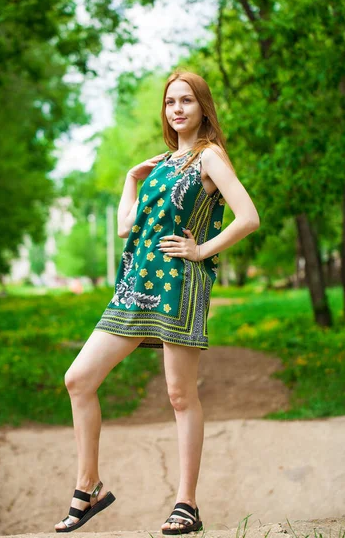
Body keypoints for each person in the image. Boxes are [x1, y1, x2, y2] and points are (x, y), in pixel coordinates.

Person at [54, 70, 260, 534]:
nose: (178, 109)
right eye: (171, 102)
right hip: (134, 287)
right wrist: (131, 177)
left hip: (178, 288)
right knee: (79, 379)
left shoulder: (210, 158)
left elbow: (249, 216)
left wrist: (201, 249)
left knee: (180, 394)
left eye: (187, 100)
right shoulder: (164, 163)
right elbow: (127, 227)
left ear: (203, 107)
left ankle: (186, 504)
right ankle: (89, 487)